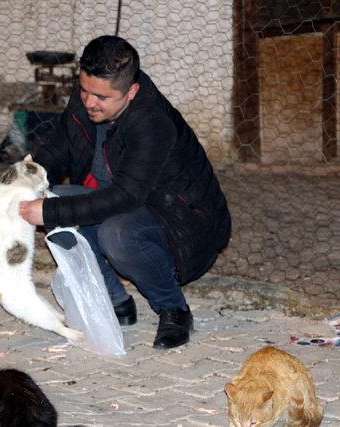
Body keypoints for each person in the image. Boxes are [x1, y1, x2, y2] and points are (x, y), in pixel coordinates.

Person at [19, 35, 231, 350]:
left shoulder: (152, 122)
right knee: (57, 200)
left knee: (115, 234)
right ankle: (117, 303)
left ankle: (173, 309)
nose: (89, 102)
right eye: (84, 90)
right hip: (130, 203)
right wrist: (22, 180)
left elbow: (126, 196)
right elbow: (57, 148)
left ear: (131, 91)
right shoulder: (89, 97)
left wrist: (48, 212)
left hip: (183, 224)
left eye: (101, 97)